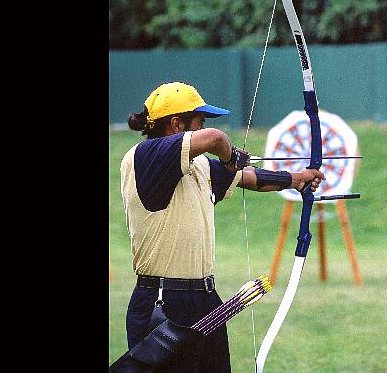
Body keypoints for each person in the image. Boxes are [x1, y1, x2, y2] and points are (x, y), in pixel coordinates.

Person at [118, 81, 324, 372]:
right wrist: (229, 155)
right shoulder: (146, 155)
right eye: (199, 121)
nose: (204, 127)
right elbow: (215, 139)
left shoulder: (196, 166)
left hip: (204, 299)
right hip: (163, 303)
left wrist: (296, 178)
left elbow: (248, 177)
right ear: (177, 125)